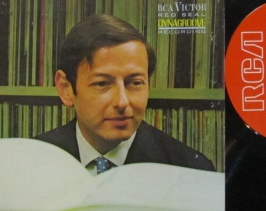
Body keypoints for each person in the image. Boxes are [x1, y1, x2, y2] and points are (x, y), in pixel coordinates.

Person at [35, 14, 214, 174]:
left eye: (135, 83)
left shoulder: (191, 169)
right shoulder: (31, 161)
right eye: (102, 83)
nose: (122, 102)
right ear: (65, 88)